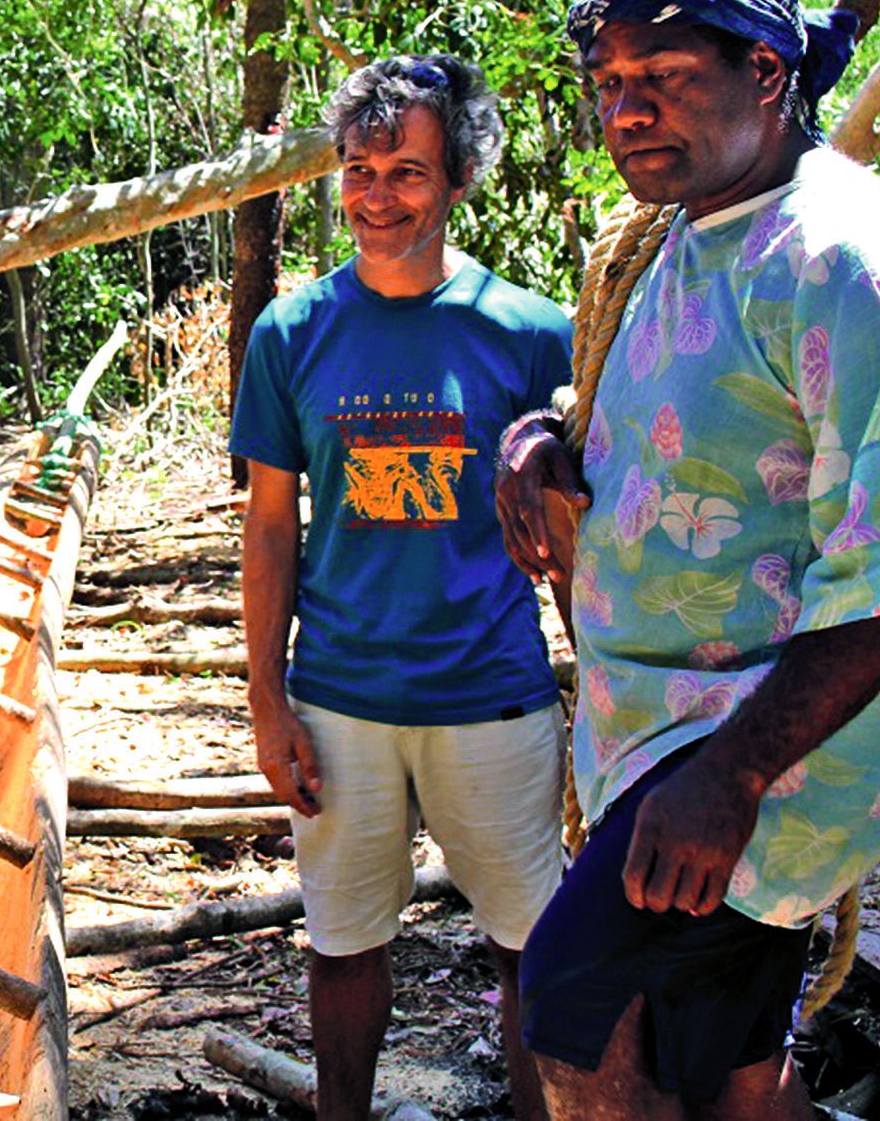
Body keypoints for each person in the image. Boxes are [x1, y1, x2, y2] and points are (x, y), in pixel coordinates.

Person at [496, 0, 880, 1120]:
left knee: (575, 1015)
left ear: (763, 71)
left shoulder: (852, 263)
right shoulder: (685, 230)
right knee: (728, 1070)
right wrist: (540, 438)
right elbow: (673, 414)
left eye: (661, 77)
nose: (625, 112)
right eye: (607, 85)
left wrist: (732, 776)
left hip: (752, 745)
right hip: (659, 729)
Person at [234, 55, 572, 1121]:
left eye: (406, 173)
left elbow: (575, 530)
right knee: (341, 945)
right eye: (358, 170)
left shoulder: (531, 334)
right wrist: (266, 701)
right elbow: (269, 527)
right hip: (339, 702)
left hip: (494, 695)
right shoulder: (289, 334)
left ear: (458, 179)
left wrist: (604, 690)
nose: (376, 197)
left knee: (533, 949)